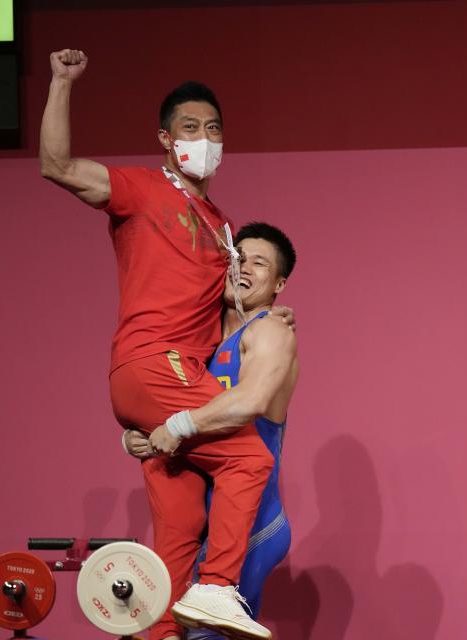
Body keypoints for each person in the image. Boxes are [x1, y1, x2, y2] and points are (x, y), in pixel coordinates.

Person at [40, 49, 294, 640]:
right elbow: (56, 165)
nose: (203, 139)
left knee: (174, 548)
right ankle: (217, 589)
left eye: (213, 130)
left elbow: (227, 311)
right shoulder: (141, 189)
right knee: (250, 457)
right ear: (164, 138)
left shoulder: (222, 226)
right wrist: (60, 82)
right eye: (189, 128)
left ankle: (173, 617)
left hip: (164, 386)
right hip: (157, 363)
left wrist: (268, 314)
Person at [125, 223, 297, 638]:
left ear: (279, 284)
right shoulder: (197, 342)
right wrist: (141, 434)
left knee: (205, 635)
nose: (244, 267)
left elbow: (249, 401)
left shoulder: (270, 331)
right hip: (198, 523)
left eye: (259, 263)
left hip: (252, 527)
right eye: (237, 256)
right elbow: (161, 405)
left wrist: (177, 425)